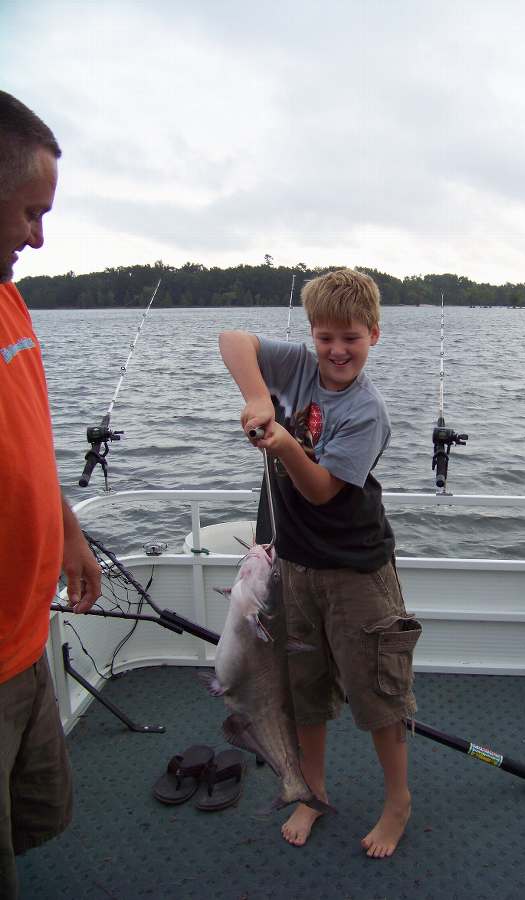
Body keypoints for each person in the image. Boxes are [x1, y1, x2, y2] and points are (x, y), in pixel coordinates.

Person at [219, 268, 421, 858]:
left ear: (374, 336)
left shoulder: (367, 411)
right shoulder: (301, 367)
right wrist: (259, 397)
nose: (337, 350)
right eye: (326, 336)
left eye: (351, 339)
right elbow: (234, 339)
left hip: (358, 574)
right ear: (312, 334)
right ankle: (310, 789)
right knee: (303, 693)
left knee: (378, 695)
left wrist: (283, 443)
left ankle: (398, 801)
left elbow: (322, 491)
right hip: (296, 569)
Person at [0, 90, 101, 899]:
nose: (39, 236)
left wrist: (68, 528)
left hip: (25, 638)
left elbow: (29, 443)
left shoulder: (9, 299)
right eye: (29, 212)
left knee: (31, 820)